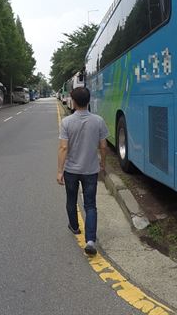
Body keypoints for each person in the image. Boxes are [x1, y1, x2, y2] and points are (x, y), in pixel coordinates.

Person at [57, 86, 109, 256]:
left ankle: (75, 227)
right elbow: (103, 146)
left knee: (71, 199)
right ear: (88, 101)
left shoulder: (66, 122)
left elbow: (64, 148)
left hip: (71, 170)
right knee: (90, 205)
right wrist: (103, 164)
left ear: (73, 100)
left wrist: (59, 171)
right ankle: (91, 240)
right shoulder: (98, 121)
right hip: (91, 170)